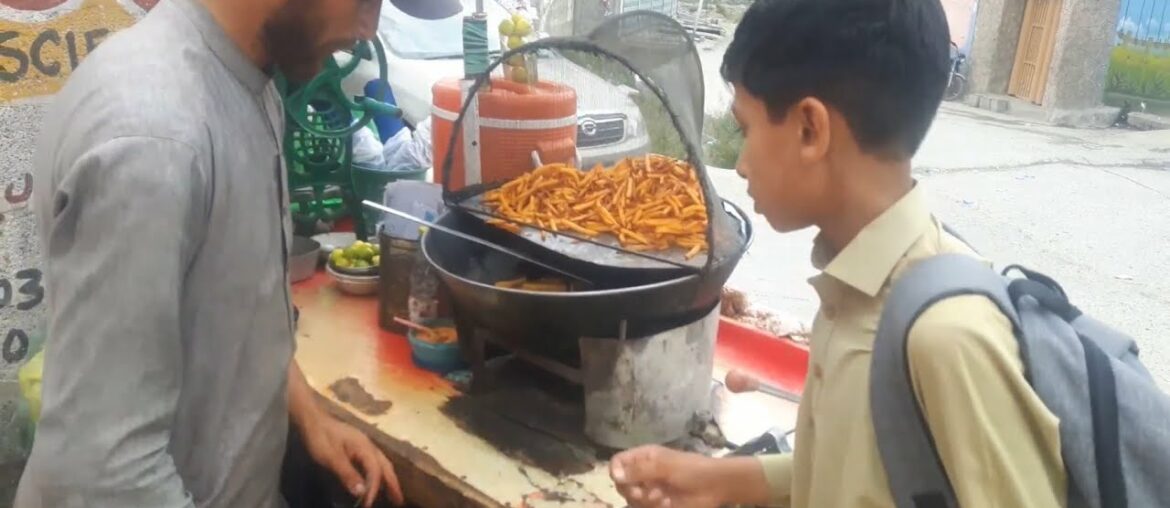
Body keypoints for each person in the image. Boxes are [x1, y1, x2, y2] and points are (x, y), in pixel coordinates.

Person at [609, 0, 1066, 506]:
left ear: (810, 130)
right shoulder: (856, 282)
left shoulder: (948, 338)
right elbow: (859, 468)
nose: (739, 165)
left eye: (746, 129)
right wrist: (715, 480)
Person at [18, 1, 404, 507]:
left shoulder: (248, 78)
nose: (368, 28)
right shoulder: (153, 136)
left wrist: (311, 417)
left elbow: (234, 301)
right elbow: (104, 475)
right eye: (364, 1)